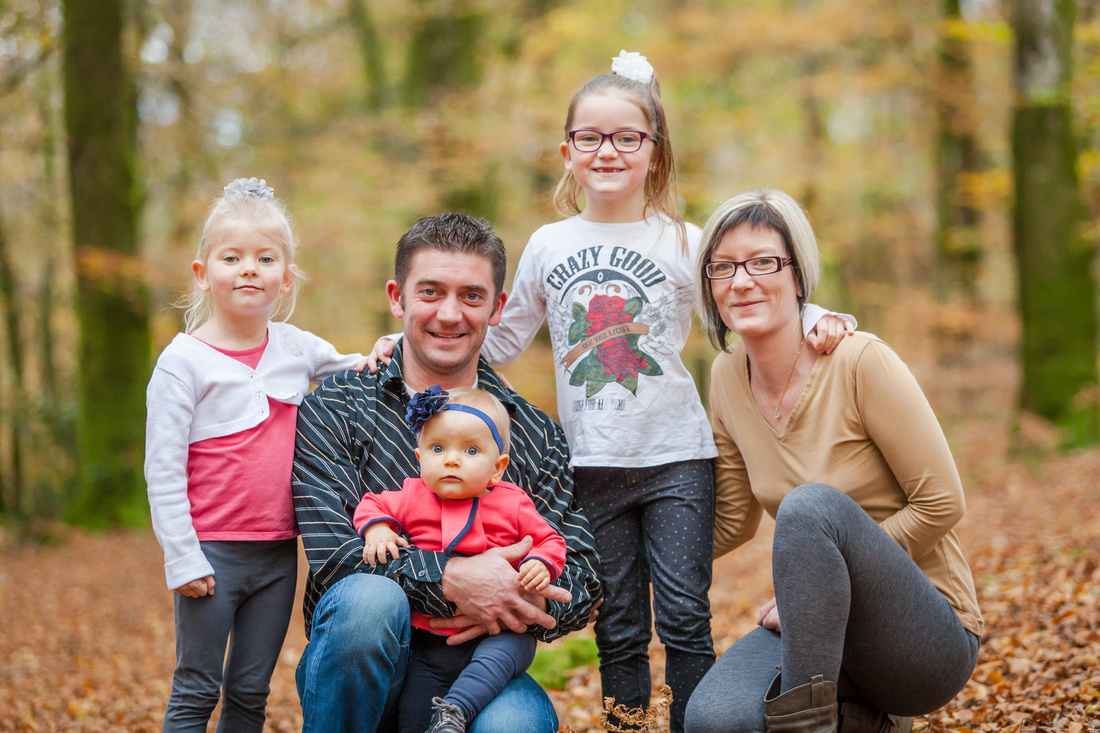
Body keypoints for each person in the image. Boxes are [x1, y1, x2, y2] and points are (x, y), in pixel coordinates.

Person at [367, 51, 854, 733]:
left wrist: (815, 317)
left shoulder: (685, 241)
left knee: (684, 611)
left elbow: (748, 296)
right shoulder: (547, 244)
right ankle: (627, 723)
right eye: (590, 137)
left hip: (677, 457)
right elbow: (497, 342)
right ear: (567, 152)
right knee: (619, 618)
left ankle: (696, 721)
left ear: (654, 152)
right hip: (590, 464)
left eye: (628, 137)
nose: (608, 150)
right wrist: (407, 347)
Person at [683, 189, 983, 733]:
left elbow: (943, 501)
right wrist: (629, 565)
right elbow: (732, 519)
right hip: (822, 632)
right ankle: (860, 718)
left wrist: (821, 579)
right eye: (722, 267)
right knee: (713, 719)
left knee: (810, 508)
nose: (740, 281)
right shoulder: (726, 375)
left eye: (762, 262)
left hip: (926, 636)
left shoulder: (859, 360)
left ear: (798, 275)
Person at [292, 212, 601, 733]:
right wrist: (454, 578)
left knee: (516, 728)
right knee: (368, 601)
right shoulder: (335, 408)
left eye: (472, 296)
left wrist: (512, 588)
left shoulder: (532, 433)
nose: (450, 314)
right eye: (431, 292)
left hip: (475, 672)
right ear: (398, 297)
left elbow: (582, 575)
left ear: (498, 307)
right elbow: (336, 557)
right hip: (362, 659)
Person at [144, 177, 368, 732]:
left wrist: (386, 351)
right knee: (197, 686)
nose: (249, 268)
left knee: (250, 690)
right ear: (203, 274)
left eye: (265, 258)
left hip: (276, 555)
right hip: (212, 554)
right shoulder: (182, 363)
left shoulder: (296, 348)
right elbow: (163, 470)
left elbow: (355, 368)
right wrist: (182, 556)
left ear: (285, 277)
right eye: (232, 257)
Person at [355, 385, 567, 733]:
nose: (452, 459)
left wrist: (540, 564)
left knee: (505, 653)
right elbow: (372, 503)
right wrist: (377, 528)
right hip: (434, 638)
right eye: (438, 448)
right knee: (415, 711)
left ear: (497, 468)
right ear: (420, 458)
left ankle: (456, 709)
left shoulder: (512, 504)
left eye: (470, 450)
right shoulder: (412, 496)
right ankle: (437, 719)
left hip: (500, 633)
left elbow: (549, 540)